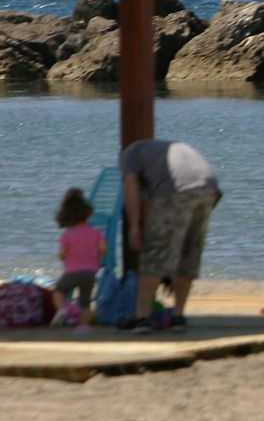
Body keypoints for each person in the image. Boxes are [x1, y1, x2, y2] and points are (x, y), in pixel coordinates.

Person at [118, 138, 222, 334]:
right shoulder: (157, 152)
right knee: (188, 254)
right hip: (209, 188)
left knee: (155, 255)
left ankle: (141, 318)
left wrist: (134, 227)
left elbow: (130, 187)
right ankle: (178, 316)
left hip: (177, 190)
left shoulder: (128, 154)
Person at [52, 187, 105, 332]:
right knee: (85, 301)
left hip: (72, 271)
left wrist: (65, 257)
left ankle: (62, 310)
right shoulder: (95, 231)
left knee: (59, 290)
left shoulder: (67, 235)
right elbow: (102, 249)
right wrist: (96, 256)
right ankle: (84, 326)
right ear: (87, 213)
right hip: (90, 272)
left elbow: (62, 254)